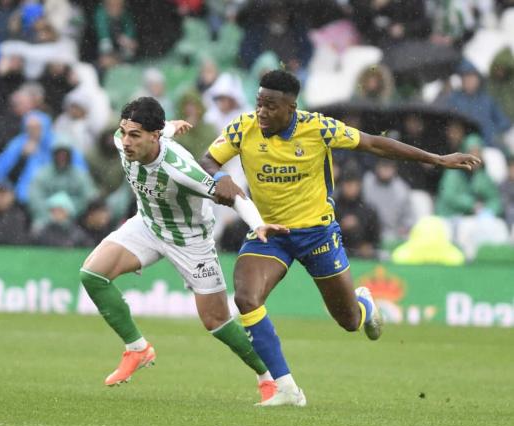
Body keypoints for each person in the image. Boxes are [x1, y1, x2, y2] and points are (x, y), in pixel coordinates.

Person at [199, 69, 481, 406]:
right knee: (246, 298)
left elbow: (375, 144)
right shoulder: (242, 128)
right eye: (259, 104)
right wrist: (218, 178)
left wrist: (435, 158)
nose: (261, 112)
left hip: (317, 233)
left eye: (271, 106)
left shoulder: (317, 127)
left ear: (291, 108)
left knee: (348, 321)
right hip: (270, 232)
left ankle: (363, 302)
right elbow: (208, 160)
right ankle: (287, 388)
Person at [79, 97, 288, 404]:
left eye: (134, 135)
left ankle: (266, 377)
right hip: (148, 226)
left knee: (216, 320)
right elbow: (156, 133)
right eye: (123, 133)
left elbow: (232, 195)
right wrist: (171, 127)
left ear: (152, 135)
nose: (125, 141)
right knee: (92, 274)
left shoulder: (181, 171)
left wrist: (257, 224)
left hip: (190, 239)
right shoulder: (125, 143)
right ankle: (137, 349)